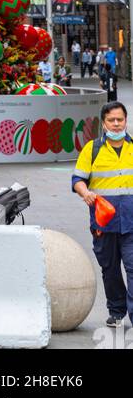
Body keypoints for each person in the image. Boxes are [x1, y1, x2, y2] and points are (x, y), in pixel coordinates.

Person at [72, 101, 133, 328]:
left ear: (125, 121)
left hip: (131, 222)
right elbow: (77, 179)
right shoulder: (92, 149)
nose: (116, 124)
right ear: (104, 123)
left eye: (120, 119)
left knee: (132, 267)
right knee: (110, 269)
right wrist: (85, 192)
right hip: (103, 222)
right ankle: (117, 311)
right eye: (111, 120)